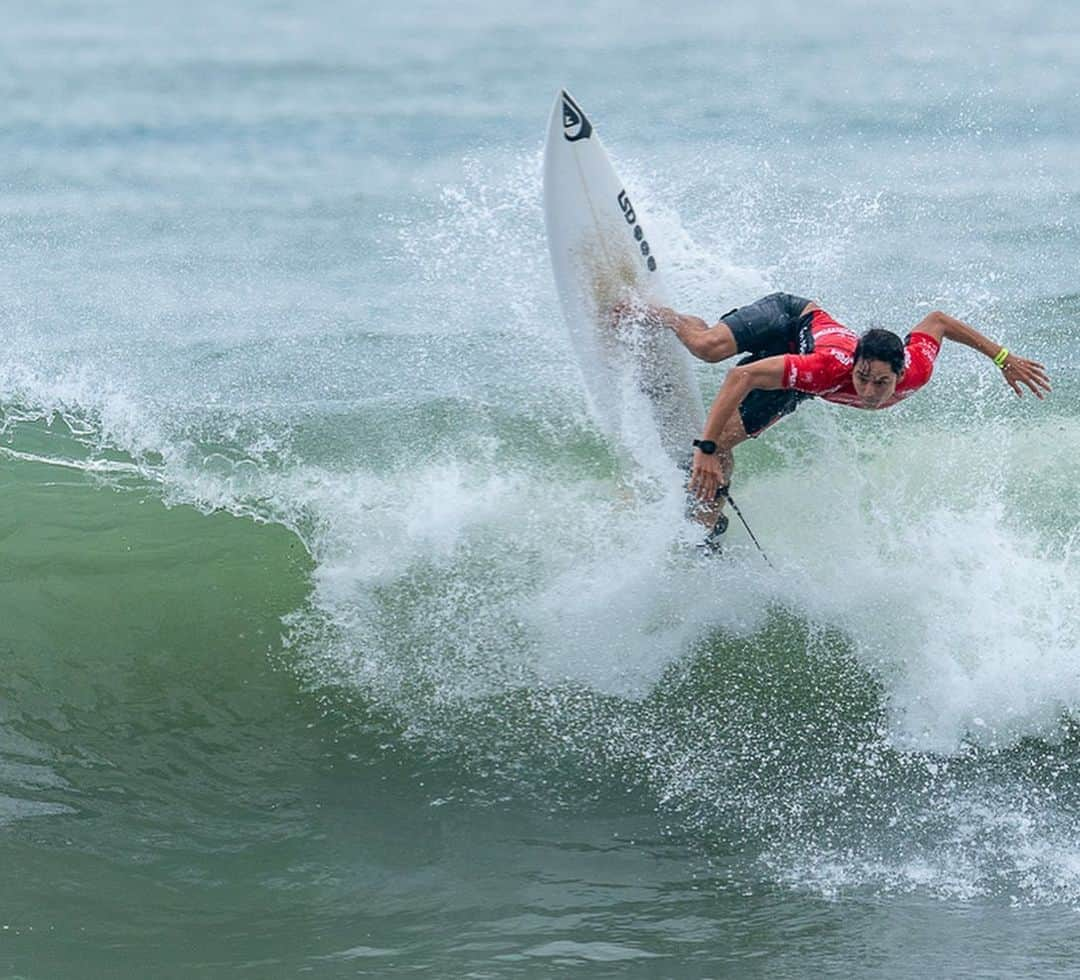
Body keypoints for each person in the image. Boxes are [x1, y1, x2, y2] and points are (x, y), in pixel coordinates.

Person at [621, 292, 1052, 546]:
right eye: (862, 377)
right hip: (791, 318)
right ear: (856, 365)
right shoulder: (829, 369)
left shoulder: (916, 367)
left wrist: (1002, 358)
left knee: (728, 440)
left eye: (879, 383)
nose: (867, 389)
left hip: (794, 381)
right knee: (709, 348)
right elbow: (742, 376)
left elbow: (937, 321)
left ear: (899, 375)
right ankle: (658, 314)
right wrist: (705, 448)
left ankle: (706, 523)